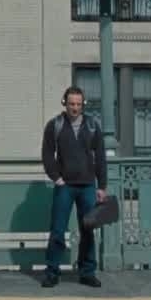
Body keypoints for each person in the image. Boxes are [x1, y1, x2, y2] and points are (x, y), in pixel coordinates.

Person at [40, 85, 108, 288]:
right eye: (71, 104)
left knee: (88, 231)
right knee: (57, 230)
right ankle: (52, 272)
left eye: (78, 104)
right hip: (65, 186)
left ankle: (87, 272)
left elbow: (101, 157)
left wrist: (102, 186)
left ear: (83, 104)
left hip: (88, 186)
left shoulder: (93, 126)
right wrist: (56, 178)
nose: (75, 108)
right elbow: (47, 154)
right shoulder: (55, 125)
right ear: (65, 103)